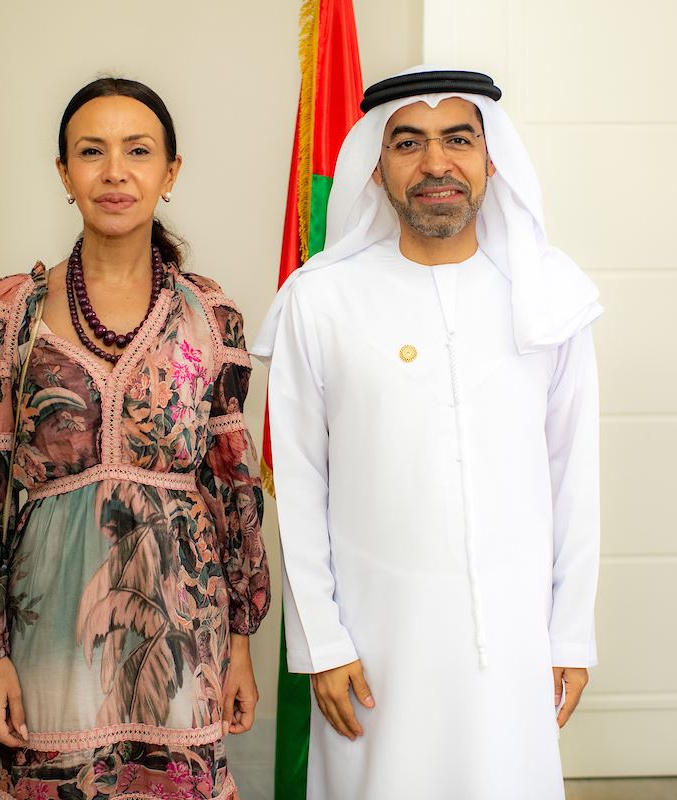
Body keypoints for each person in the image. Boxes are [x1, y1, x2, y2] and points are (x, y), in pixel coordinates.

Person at [253, 66, 603, 799]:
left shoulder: (548, 299)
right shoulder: (320, 301)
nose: (436, 163)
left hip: (512, 643)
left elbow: (576, 478)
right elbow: (300, 486)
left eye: (458, 140)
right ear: (375, 168)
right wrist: (322, 642)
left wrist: (569, 634)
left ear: (490, 160)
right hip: (375, 650)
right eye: (408, 142)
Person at [0, 77, 271, 800]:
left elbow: (233, 493)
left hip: (184, 649)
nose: (116, 172)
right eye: (92, 151)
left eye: (138, 151)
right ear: (64, 173)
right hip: (46, 651)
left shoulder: (212, 317)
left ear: (169, 172)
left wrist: (239, 643)